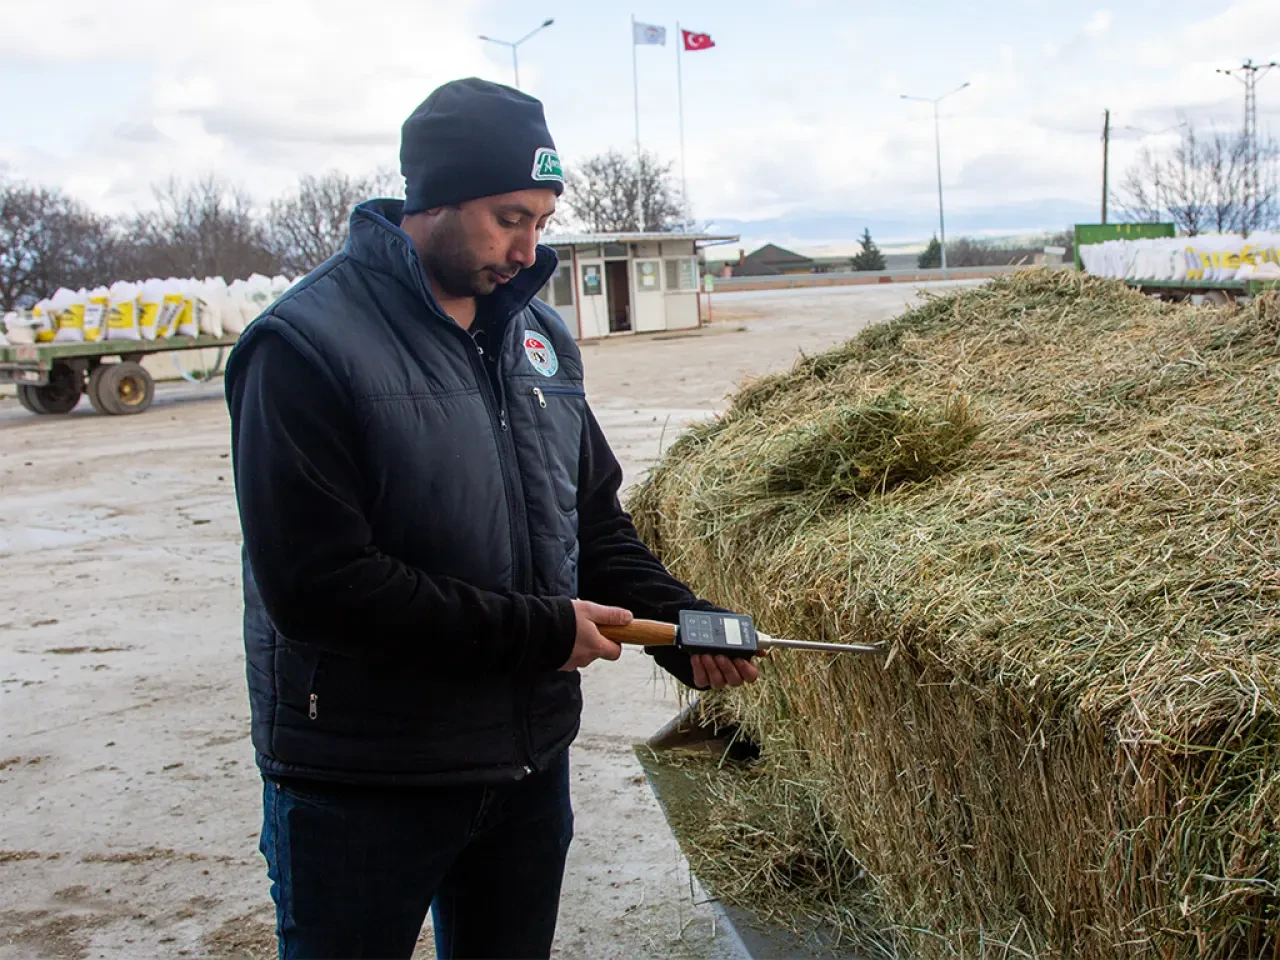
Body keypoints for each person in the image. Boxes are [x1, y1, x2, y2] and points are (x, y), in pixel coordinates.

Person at [224, 77, 760, 960]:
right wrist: (540, 630)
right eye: (509, 218)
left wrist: (680, 623)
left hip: (523, 768)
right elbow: (317, 586)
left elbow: (589, 522)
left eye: (541, 222)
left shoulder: (537, 337)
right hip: (363, 777)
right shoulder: (303, 344)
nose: (527, 248)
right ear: (433, 198)